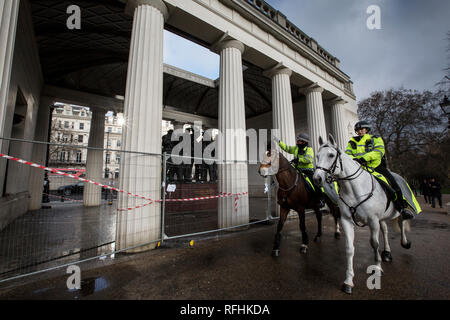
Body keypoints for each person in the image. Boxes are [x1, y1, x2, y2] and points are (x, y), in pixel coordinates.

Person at [345, 120, 415, 220]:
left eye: (362, 129)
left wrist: (363, 158)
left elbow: (378, 152)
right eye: (358, 130)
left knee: (393, 183)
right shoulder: (352, 142)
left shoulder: (375, 139)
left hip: (376, 167)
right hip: (360, 169)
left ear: (366, 130)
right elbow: (347, 154)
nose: (360, 131)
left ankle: (402, 208)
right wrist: (354, 160)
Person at [275, 133, 324, 206]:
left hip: (308, 170)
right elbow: (286, 148)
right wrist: (278, 142)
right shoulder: (295, 148)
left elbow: (308, 159)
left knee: (314, 183)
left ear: (304, 142)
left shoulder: (309, 149)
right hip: (297, 169)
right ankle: (285, 198)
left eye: (299, 141)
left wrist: (299, 159)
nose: (297, 142)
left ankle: (320, 199)